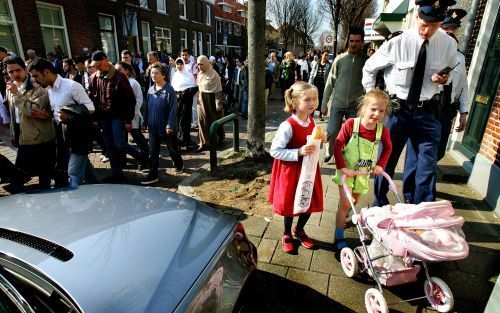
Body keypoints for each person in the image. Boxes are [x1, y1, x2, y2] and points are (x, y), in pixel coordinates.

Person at [362, 0, 457, 206]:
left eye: (434, 26)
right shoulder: (398, 43)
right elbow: (369, 68)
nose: (427, 30)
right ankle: (379, 201)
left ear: (441, 23)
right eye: (424, 24)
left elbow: (448, 72)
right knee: (386, 159)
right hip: (398, 111)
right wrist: (373, 102)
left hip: (427, 112)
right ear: (416, 17)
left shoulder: (449, 44)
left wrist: (444, 79)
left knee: (427, 165)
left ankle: (421, 209)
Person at [402, 8, 469, 202]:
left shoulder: (460, 58)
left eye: (453, 29)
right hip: (428, 109)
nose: (449, 32)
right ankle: (413, 194)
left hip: (446, 111)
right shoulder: (429, 50)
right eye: (446, 27)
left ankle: (421, 189)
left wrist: (464, 111)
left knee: (436, 153)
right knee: (417, 155)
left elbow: (463, 86)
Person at [268, 81, 327, 253]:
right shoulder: (287, 126)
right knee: (290, 203)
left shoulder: (312, 123)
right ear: (294, 103)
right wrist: (298, 152)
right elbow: (275, 151)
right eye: (307, 99)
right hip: (291, 171)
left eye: (314, 99)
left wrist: (321, 141)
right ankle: (287, 233)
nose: (312, 103)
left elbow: (314, 146)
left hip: (309, 170)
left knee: (309, 200)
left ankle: (299, 229)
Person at [331, 90, 392, 250]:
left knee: (354, 201)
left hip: (363, 173)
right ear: (364, 108)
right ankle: (338, 236)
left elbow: (388, 148)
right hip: (346, 172)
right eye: (373, 109)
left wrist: (380, 165)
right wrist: (342, 167)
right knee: (346, 203)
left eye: (381, 110)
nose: (377, 113)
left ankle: (343, 213)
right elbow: (337, 145)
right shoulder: (352, 124)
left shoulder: (382, 130)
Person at [28, 57, 96, 188]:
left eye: (36, 76)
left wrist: (69, 114)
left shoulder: (71, 86)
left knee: (74, 173)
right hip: (64, 138)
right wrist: (48, 115)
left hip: (79, 137)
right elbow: (58, 113)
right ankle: (101, 190)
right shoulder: (50, 89)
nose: (34, 80)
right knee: (86, 170)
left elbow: (90, 107)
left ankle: (73, 203)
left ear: (47, 72)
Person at [5, 56, 55, 190]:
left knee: (44, 175)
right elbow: (13, 114)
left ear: (25, 69)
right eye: (11, 72)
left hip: (41, 138)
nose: (15, 74)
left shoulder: (38, 84)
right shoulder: (11, 87)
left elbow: (34, 110)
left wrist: (16, 94)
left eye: (18, 70)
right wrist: (13, 133)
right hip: (23, 137)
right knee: (20, 171)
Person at [321, 28, 368, 163]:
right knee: (331, 131)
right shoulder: (339, 60)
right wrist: (324, 104)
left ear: (362, 42)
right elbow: (330, 83)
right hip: (338, 103)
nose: (354, 44)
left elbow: (368, 84)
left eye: (357, 41)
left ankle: (347, 156)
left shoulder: (366, 61)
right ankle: (329, 151)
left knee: (353, 133)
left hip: (356, 105)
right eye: (351, 41)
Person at [88, 51, 136, 183]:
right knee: (109, 145)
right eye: (95, 65)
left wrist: (128, 119)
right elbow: (92, 99)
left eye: (98, 64)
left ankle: (140, 155)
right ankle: (117, 173)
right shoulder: (94, 78)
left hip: (118, 115)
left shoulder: (120, 77)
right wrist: (95, 119)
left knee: (119, 144)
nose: (96, 68)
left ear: (105, 60)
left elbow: (130, 99)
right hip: (104, 117)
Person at [141, 63, 184, 185]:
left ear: (163, 75)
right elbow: (148, 109)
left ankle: (179, 163)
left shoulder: (169, 90)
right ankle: (153, 174)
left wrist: (170, 125)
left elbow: (173, 110)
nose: (153, 75)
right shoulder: (150, 90)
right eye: (152, 73)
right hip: (153, 128)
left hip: (166, 128)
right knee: (153, 152)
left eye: (156, 73)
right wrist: (145, 122)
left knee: (172, 149)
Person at [115, 61, 149, 169]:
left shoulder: (133, 83)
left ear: (127, 71)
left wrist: (130, 115)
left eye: (120, 70)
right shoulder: (117, 82)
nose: (117, 72)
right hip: (121, 117)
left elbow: (138, 100)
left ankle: (145, 157)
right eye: (116, 70)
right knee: (123, 139)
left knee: (137, 137)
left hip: (132, 116)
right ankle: (123, 160)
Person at [196, 55, 224, 153]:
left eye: (202, 64)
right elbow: (198, 87)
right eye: (198, 64)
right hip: (201, 100)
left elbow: (218, 91)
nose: (200, 66)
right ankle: (203, 143)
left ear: (207, 63)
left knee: (213, 121)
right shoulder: (199, 74)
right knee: (201, 121)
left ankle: (216, 140)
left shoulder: (214, 75)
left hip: (211, 101)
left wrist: (218, 104)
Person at [171, 57, 197, 148]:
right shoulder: (175, 75)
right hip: (178, 101)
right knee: (179, 120)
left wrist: (186, 92)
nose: (179, 66)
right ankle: (180, 140)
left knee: (186, 120)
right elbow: (173, 88)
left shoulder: (189, 75)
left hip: (187, 101)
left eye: (181, 63)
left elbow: (193, 87)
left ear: (184, 64)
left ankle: (186, 140)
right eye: (177, 64)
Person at [308, 51, 332, 121]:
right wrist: (309, 84)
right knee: (314, 99)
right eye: (325, 55)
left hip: (324, 84)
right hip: (316, 83)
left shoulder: (329, 64)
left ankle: (320, 115)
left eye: (327, 55)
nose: (326, 57)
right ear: (322, 55)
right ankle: (311, 115)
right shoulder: (316, 63)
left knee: (322, 99)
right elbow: (312, 74)